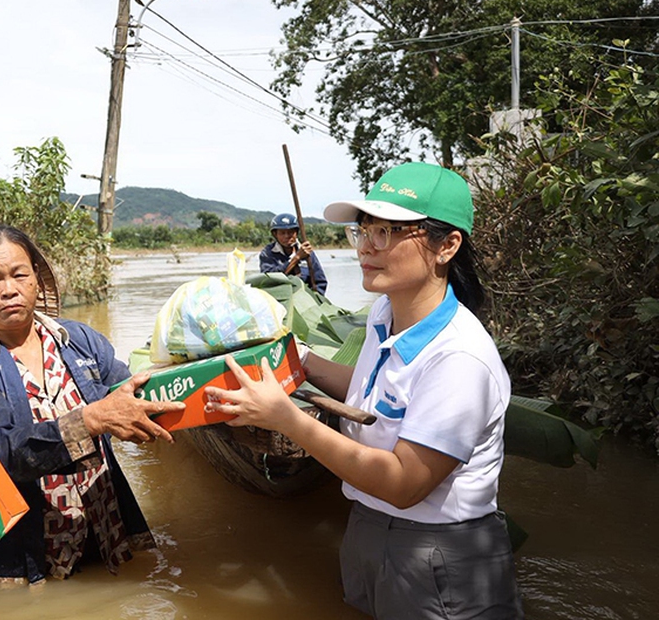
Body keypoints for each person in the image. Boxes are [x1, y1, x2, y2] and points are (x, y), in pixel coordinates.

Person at [205, 163, 522, 619]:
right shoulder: (383, 313)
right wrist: (300, 360)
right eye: (363, 231)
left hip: (435, 550)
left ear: (446, 246)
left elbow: (402, 483)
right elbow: (368, 394)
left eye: (388, 232)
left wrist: (286, 418)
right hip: (368, 525)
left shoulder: (460, 359)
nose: (366, 248)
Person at [0, 224, 185, 585]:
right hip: (23, 558)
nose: (9, 289)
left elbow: (130, 395)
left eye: (19, 275)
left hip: (101, 533)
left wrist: (194, 388)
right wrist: (90, 420)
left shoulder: (77, 340)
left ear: (37, 280)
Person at [258, 212, 328, 295]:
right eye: (282, 233)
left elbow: (320, 282)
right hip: (280, 299)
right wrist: (297, 258)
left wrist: (315, 297)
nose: (287, 236)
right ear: (275, 234)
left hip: (305, 300)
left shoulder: (307, 252)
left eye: (291, 232)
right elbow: (270, 280)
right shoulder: (267, 253)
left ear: (296, 233)